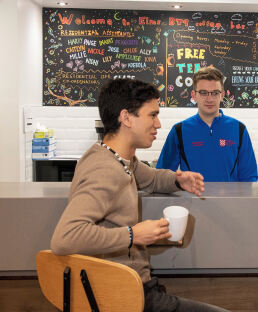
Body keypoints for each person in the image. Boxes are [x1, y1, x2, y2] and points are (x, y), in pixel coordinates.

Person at [51, 79, 229, 312]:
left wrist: (178, 179)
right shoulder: (104, 170)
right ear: (126, 118)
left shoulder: (121, 159)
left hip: (133, 287)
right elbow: (65, 237)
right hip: (124, 296)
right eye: (152, 115)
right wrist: (133, 235)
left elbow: (151, 178)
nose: (158, 123)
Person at [156, 67, 258, 182]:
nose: (209, 99)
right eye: (203, 93)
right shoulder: (179, 131)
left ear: (222, 95)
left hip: (229, 200)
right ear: (194, 95)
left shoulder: (239, 130)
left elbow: (249, 178)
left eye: (215, 93)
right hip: (191, 200)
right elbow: (163, 176)